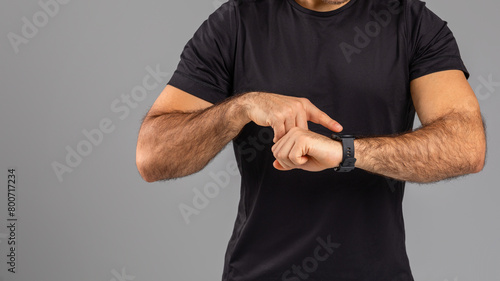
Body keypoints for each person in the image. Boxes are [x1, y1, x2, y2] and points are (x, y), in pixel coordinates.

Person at [136, 0, 487, 280]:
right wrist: (241, 107)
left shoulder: (411, 22)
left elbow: (467, 145)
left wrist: (344, 152)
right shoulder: (236, 23)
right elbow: (152, 156)